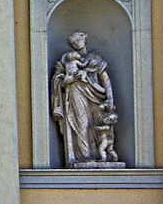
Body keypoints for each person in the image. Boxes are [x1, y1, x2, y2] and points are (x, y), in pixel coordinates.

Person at [48, 29, 122, 167]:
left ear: (84, 40)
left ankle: (102, 155)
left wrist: (110, 99)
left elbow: (105, 78)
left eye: (78, 40)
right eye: (73, 41)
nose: (76, 43)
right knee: (81, 123)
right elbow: (57, 81)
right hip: (76, 94)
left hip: (96, 96)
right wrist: (68, 79)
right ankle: (84, 157)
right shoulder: (65, 61)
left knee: (99, 125)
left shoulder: (95, 58)